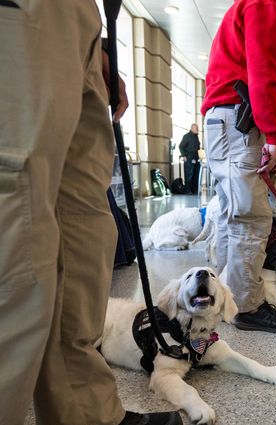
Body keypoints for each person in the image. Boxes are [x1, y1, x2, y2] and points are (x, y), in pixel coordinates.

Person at [0, 1, 183, 424]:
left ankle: (86, 415)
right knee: (17, 233)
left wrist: (93, 43)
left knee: (83, 227)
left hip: (78, 20)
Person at [201, 0, 276, 333]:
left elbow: (259, 75)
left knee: (228, 211)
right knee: (250, 216)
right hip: (241, 120)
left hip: (226, 118)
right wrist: (274, 136)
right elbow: (263, 72)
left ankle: (222, 297)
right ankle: (246, 306)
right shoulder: (265, 4)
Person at [179, 123, 201, 194]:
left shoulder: (196, 137)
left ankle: (195, 190)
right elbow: (181, 146)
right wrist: (183, 156)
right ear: (192, 128)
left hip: (196, 157)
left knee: (196, 174)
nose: (197, 130)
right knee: (189, 174)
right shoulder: (186, 136)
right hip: (189, 157)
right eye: (196, 128)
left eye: (197, 128)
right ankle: (187, 190)